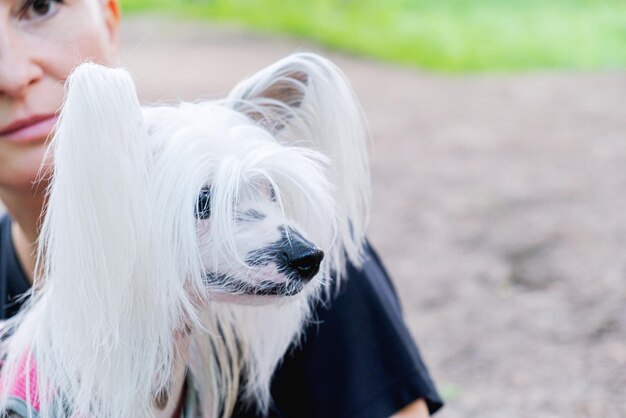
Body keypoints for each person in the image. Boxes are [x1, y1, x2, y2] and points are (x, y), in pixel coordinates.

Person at [0, 0, 443, 416]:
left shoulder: (330, 278)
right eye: (205, 204)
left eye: (41, 5)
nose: (12, 73)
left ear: (110, 15)